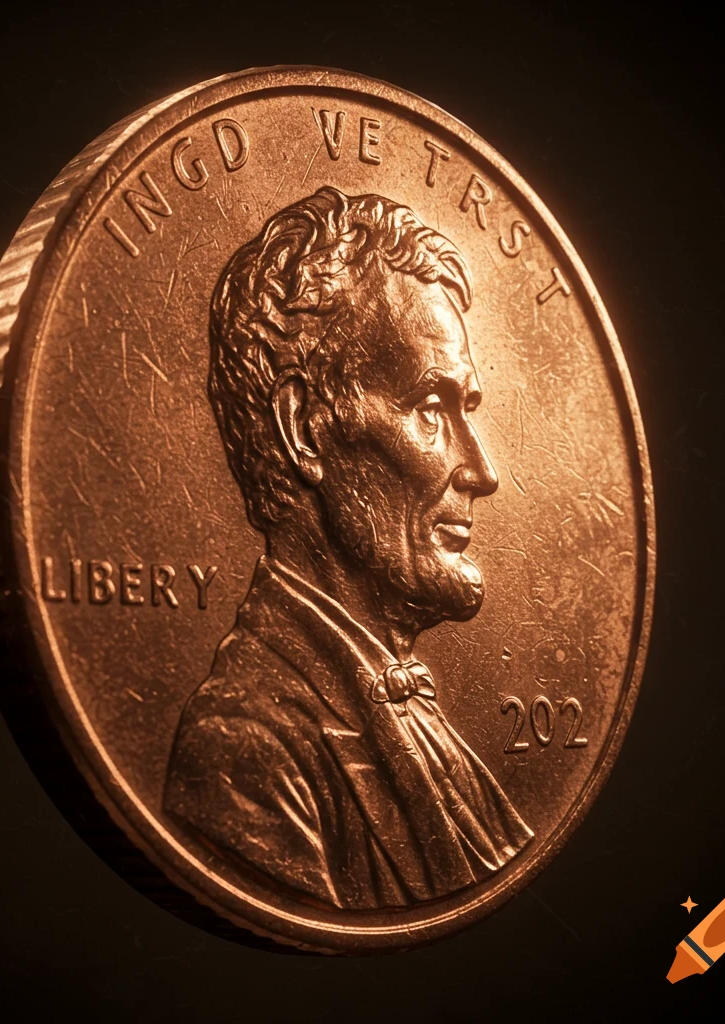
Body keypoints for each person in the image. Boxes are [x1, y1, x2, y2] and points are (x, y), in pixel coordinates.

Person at [164, 187, 532, 909]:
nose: (482, 472)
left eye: (467, 411)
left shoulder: (415, 719)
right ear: (303, 428)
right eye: (431, 410)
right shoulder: (247, 752)